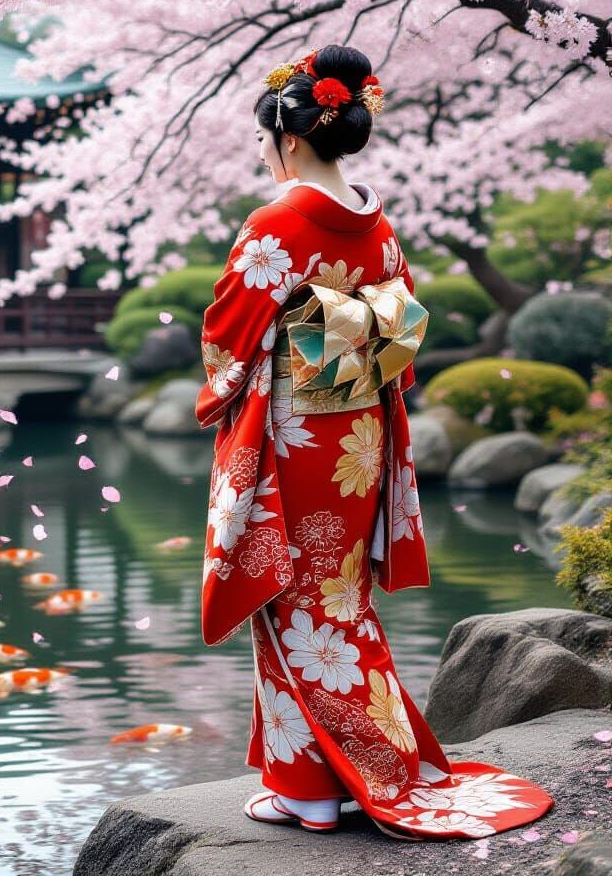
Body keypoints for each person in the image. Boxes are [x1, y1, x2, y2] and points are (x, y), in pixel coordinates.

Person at [193, 44, 555, 841]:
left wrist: (226, 385)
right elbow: (401, 327)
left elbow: (226, 333)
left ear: (290, 138)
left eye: (264, 142)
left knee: (290, 601)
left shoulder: (276, 224)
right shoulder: (376, 222)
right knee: (335, 599)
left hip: (294, 437)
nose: (264, 155)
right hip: (358, 435)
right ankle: (335, 777)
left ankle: (315, 792)